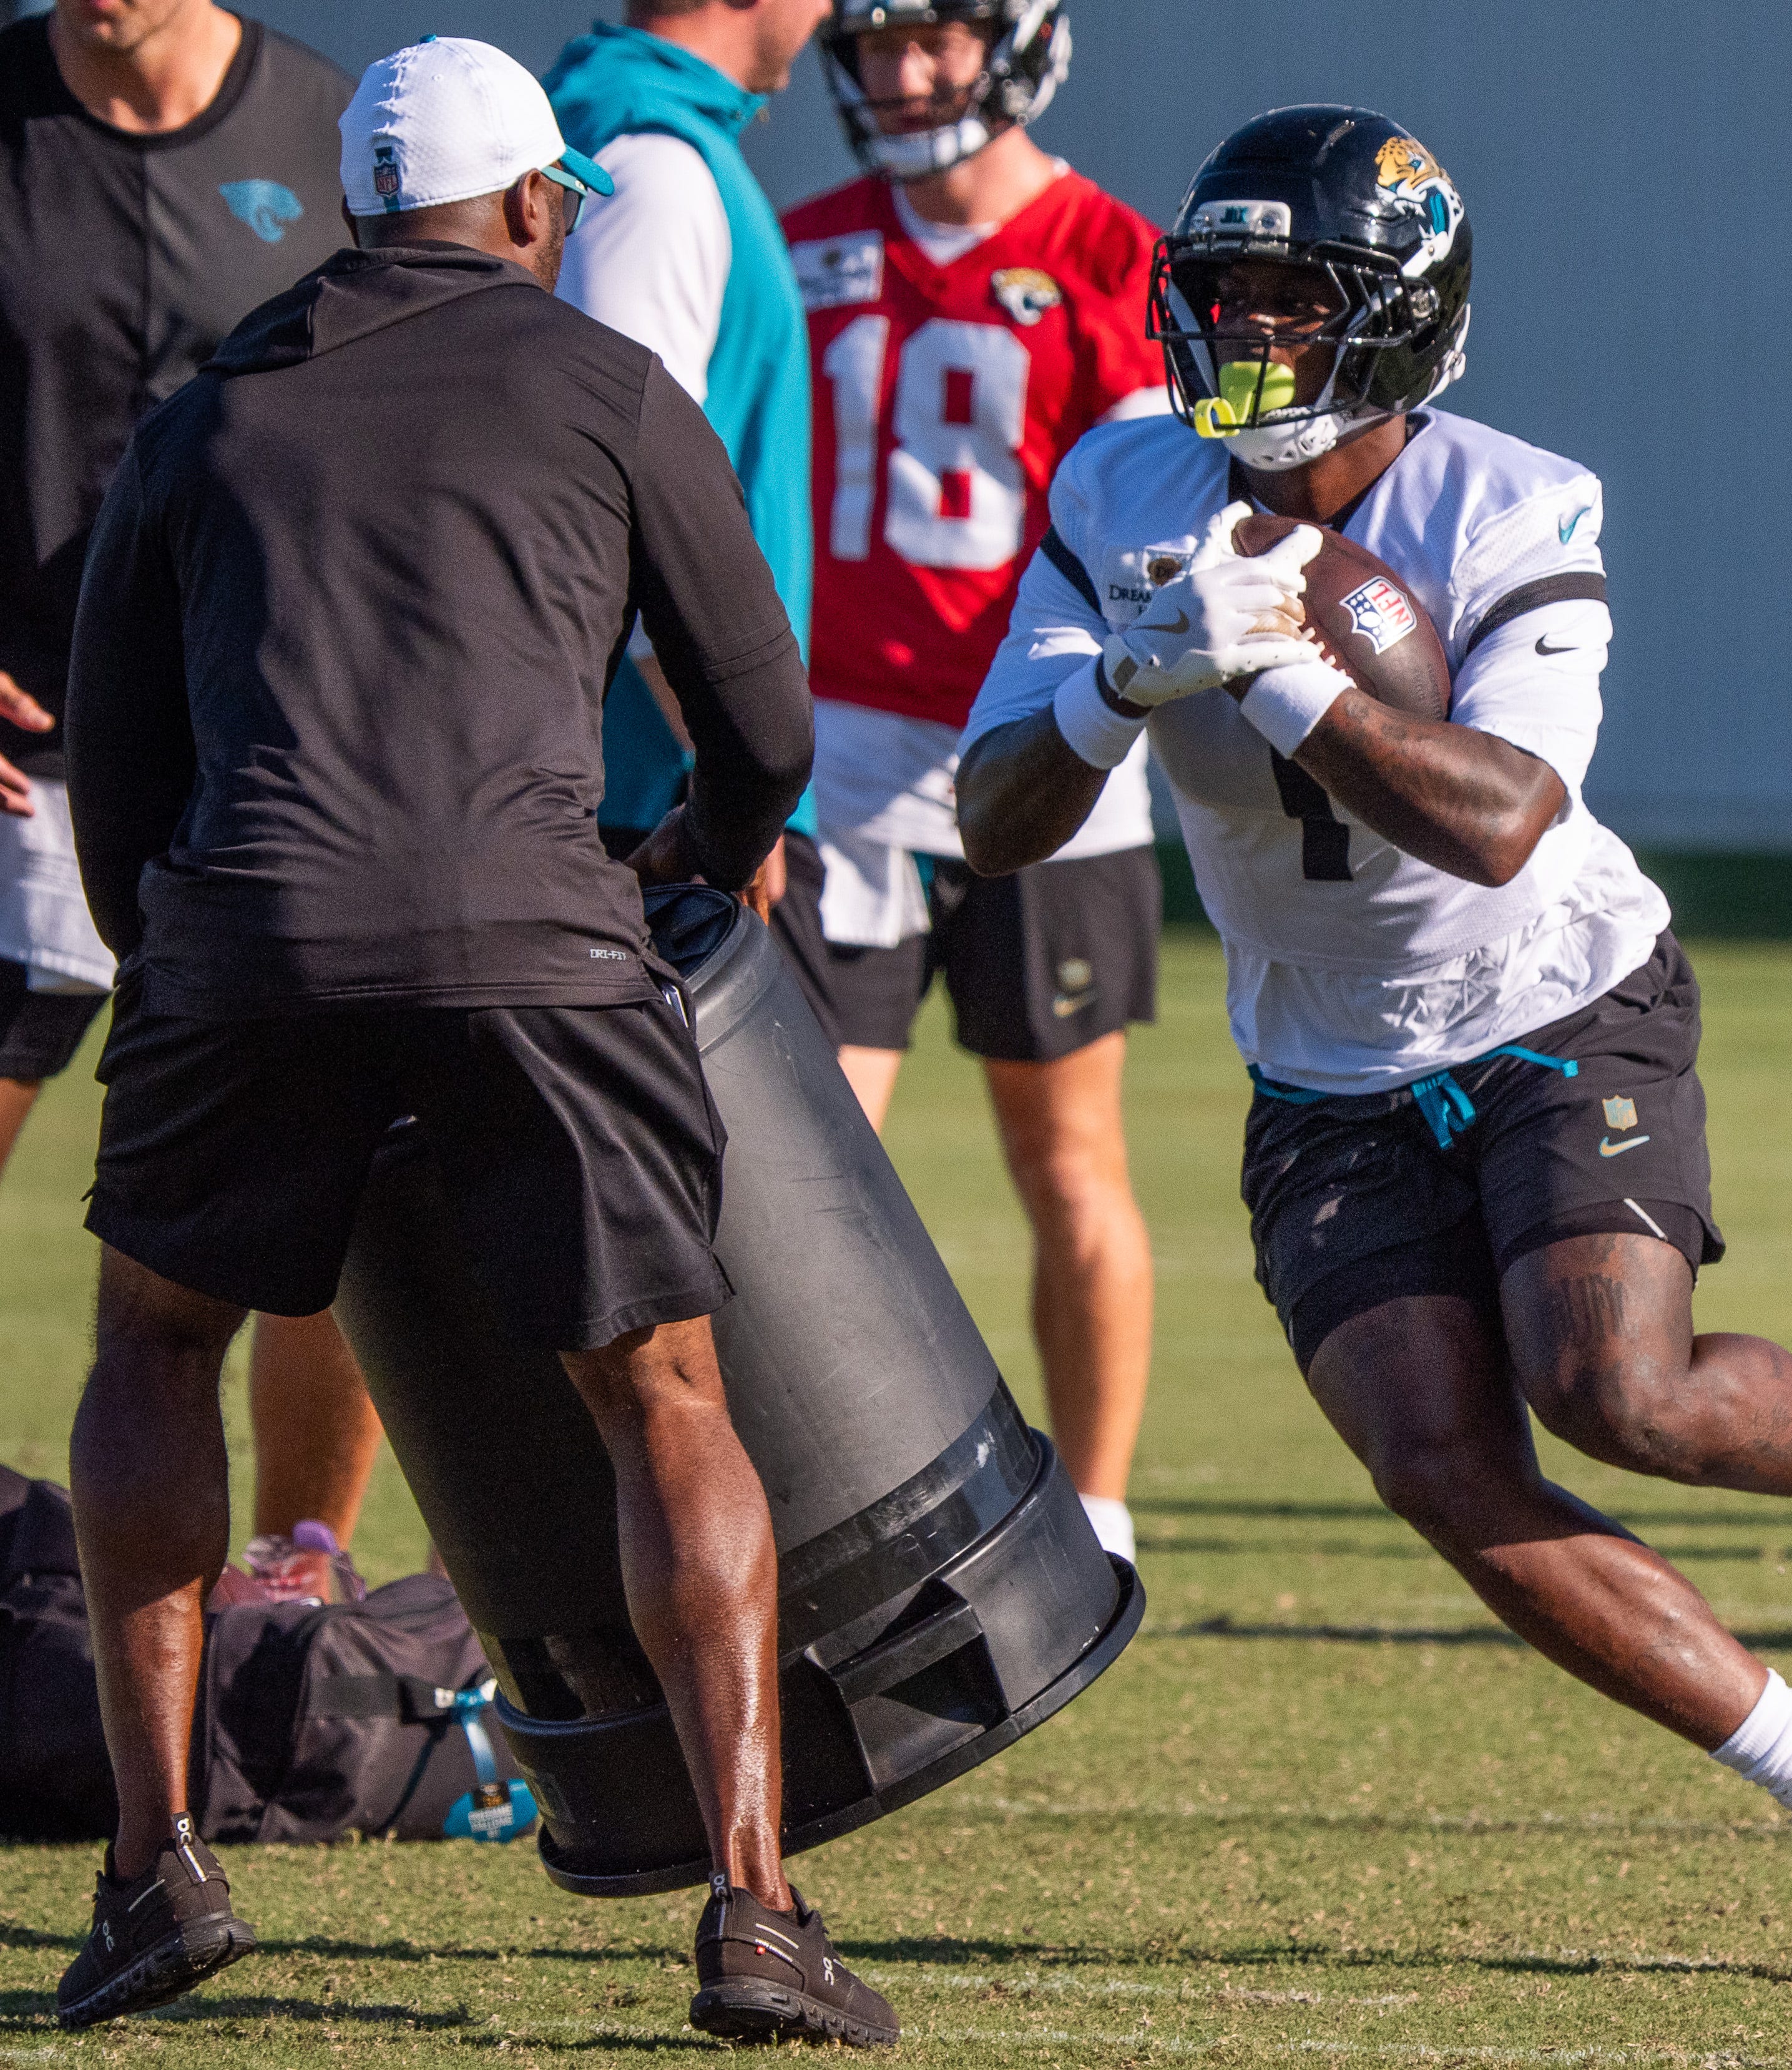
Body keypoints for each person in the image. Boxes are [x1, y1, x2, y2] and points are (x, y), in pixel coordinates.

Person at [954, 104, 1792, 1985]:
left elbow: (1503, 820)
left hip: (1552, 1000)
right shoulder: (1117, 484)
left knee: (1617, 1390)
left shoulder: (1510, 501)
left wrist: (1280, 674)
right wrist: (1112, 685)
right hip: (1318, 1059)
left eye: (1292, 298)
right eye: (1221, 295)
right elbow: (991, 815)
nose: (1244, 335)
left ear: (1402, 317)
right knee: (1437, 1465)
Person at [53, 39, 895, 2047]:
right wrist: (704, 849)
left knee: (155, 1343)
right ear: (528, 206)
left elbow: (118, 749)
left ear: (358, 208)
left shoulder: (207, 412)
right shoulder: (601, 384)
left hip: (245, 930)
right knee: (661, 1394)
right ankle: (753, 1904)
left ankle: (154, 1867)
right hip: (539, 931)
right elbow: (762, 715)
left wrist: (180, 948)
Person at [776, 0, 1166, 1564]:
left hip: (1050, 747)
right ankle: (819, 1519)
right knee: (802, 1175)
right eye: (873, 45)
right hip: (841, 757)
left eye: (931, 36)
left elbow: (1149, 533)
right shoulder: (800, 246)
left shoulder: (1112, 258)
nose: (901, 73)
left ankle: (1098, 1517)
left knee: (1068, 1160)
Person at [0, 0, 385, 1583]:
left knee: (336, 1212)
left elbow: (412, 426)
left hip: (272, 766)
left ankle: (296, 1584)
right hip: (25, 769)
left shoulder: (331, 128)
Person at [546, 0, 827, 911]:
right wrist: (733, 785)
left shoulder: (617, 134)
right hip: (653, 800)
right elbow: (626, 500)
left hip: (649, 775)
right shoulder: (655, 164)